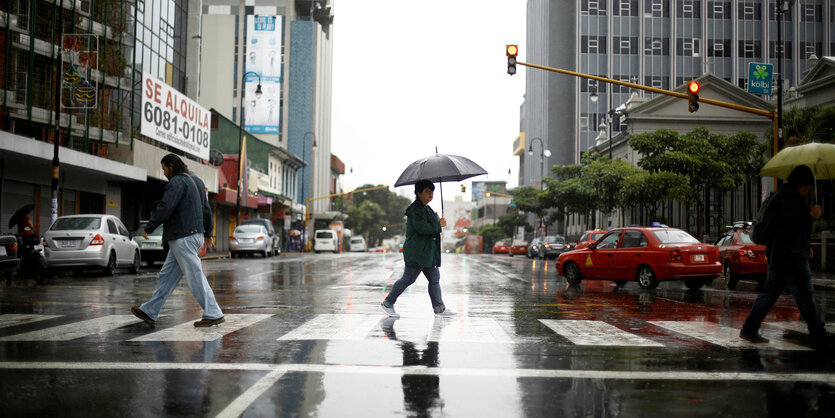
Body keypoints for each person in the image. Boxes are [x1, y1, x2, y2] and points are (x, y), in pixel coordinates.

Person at [131, 154, 224, 327]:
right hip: (191, 235)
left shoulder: (177, 182)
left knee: (195, 275)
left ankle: (213, 312)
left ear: (172, 166)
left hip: (183, 236)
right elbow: (206, 209)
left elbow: (166, 206)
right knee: (167, 276)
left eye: (165, 168)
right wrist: (208, 232)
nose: (164, 172)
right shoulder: (197, 181)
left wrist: (149, 227)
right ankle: (150, 310)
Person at [740, 165, 827, 350]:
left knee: (770, 292)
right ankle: (819, 334)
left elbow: (787, 228)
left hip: (781, 254)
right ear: (806, 184)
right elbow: (790, 225)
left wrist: (806, 245)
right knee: (805, 295)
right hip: (791, 256)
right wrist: (811, 216)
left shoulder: (783, 195)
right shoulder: (789, 199)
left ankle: (749, 328)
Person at [380, 179, 455, 318]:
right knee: (408, 278)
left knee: (434, 278)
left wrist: (438, 221)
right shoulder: (415, 209)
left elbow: (431, 225)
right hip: (418, 252)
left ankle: (439, 309)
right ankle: (387, 303)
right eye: (427, 191)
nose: (431, 194)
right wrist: (439, 225)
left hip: (427, 252)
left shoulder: (426, 208)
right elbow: (422, 228)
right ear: (418, 193)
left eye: (432, 191)